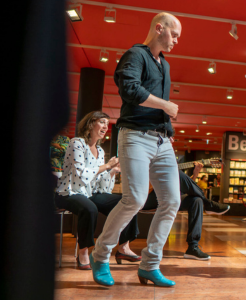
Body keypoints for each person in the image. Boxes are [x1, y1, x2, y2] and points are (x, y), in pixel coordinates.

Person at [90, 12, 182, 287]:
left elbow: (157, 102)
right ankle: (101, 254)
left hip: (161, 140)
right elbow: (129, 89)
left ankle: (150, 265)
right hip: (135, 137)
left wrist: (168, 130)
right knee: (135, 199)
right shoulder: (135, 55)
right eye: (174, 34)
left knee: (171, 201)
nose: (176, 41)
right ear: (159, 28)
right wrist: (165, 106)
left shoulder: (164, 65)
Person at [55, 111, 140, 270]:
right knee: (90, 208)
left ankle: (123, 247)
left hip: (90, 192)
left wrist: (112, 171)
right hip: (68, 192)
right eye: (102, 122)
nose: (105, 127)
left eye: (107, 124)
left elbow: (102, 186)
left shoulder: (100, 151)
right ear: (90, 124)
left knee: (129, 202)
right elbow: (81, 175)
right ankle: (84, 252)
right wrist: (107, 166)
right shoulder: (76, 143)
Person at [142, 162, 230, 261]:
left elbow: (185, 189)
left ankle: (193, 247)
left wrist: (195, 174)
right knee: (176, 172)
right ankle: (208, 204)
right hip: (145, 196)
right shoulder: (143, 159)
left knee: (196, 200)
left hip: (166, 196)